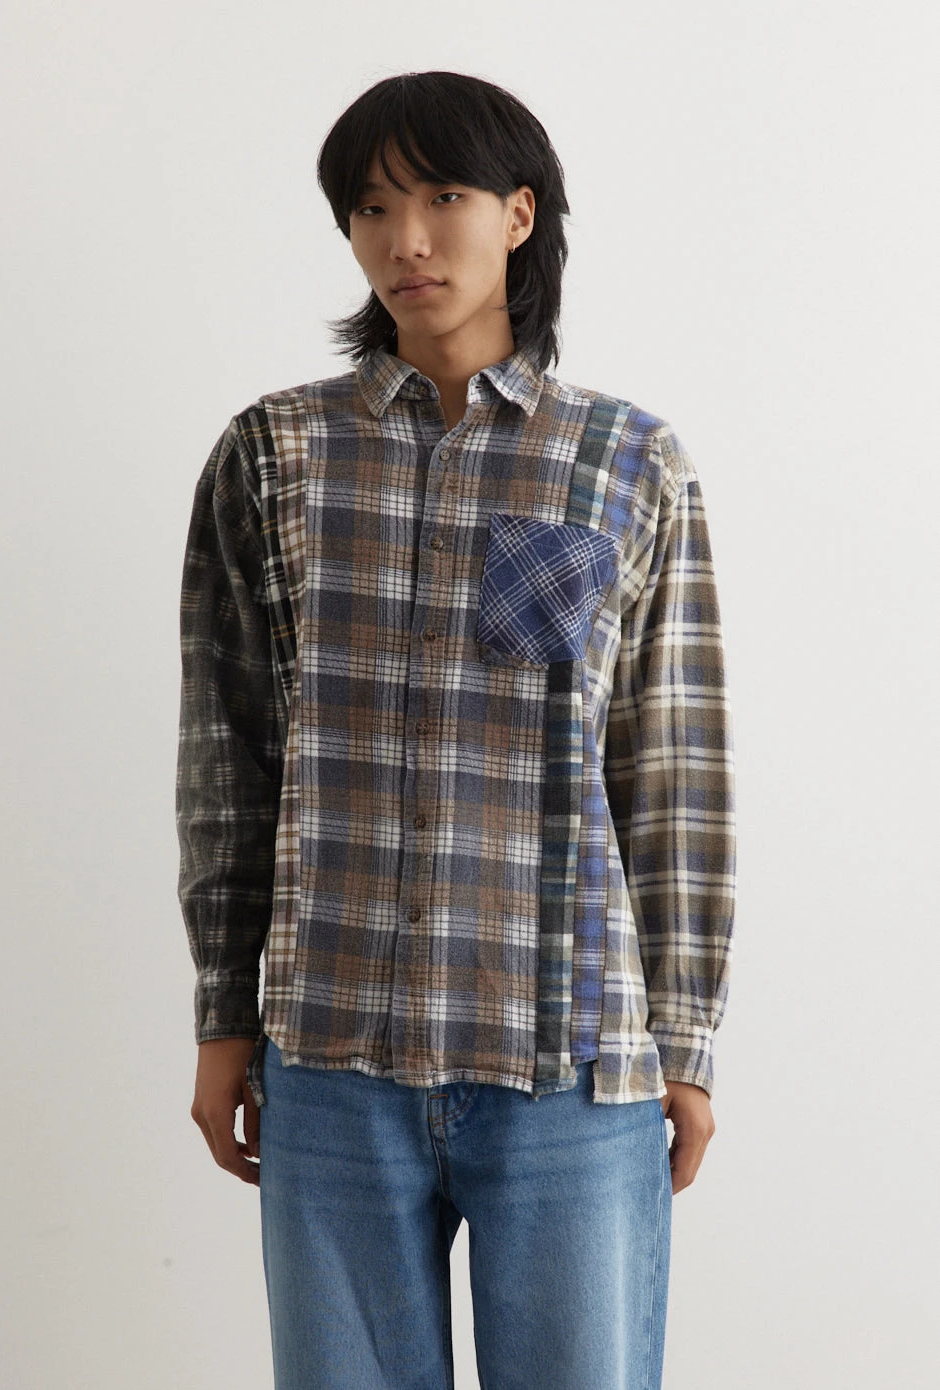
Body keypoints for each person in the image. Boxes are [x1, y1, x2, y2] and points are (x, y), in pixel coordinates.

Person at [175, 69, 736, 1390]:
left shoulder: (626, 462)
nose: (406, 240)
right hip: (330, 1054)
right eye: (372, 208)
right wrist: (222, 1015)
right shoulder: (272, 456)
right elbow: (229, 760)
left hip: (568, 1059)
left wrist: (688, 1038)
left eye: (442, 197)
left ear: (520, 214)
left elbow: (670, 770)